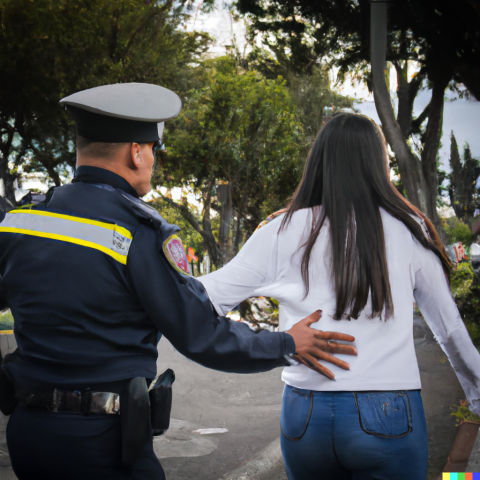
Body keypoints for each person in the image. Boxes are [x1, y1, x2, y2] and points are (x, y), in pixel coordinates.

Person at [0, 83, 357, 480]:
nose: (153, 159)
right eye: (153, 149)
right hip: (100, 443)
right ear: (136, 152)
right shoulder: (139, 233)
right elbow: (202, 334)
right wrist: (287, 343)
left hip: (27, 437)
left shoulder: (21, 221)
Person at [198, 112, 480, 480]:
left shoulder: (279, 230)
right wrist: (476, 396)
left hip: (304, 414)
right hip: (389, 411)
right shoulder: (409, 231)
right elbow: (449, 330)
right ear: (378, 164)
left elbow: (202, 298)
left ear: (320, 161)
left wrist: (277, 342)